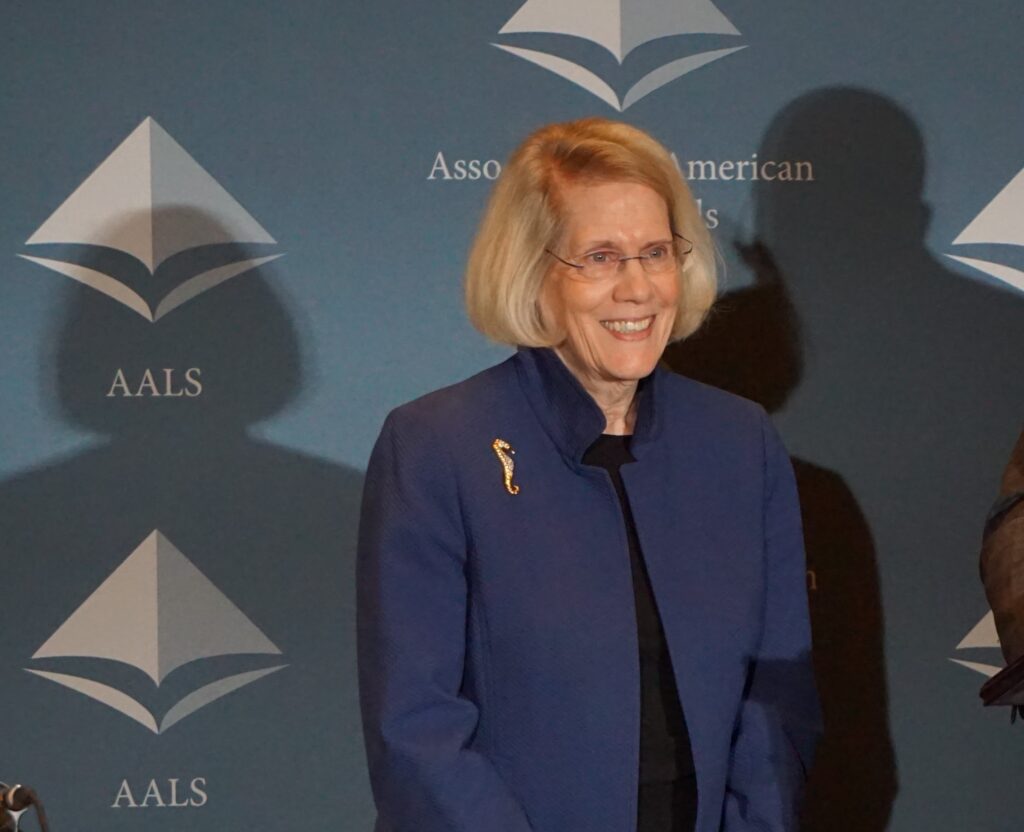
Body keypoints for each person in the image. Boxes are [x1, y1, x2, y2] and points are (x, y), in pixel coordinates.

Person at [357, 117, 821, 832]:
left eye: (656, 252)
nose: (637, 288)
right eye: (601, 257)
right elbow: (416, 729)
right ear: (532, 271)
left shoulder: (740, 442)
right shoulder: (435, 445)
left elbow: (775, 705)